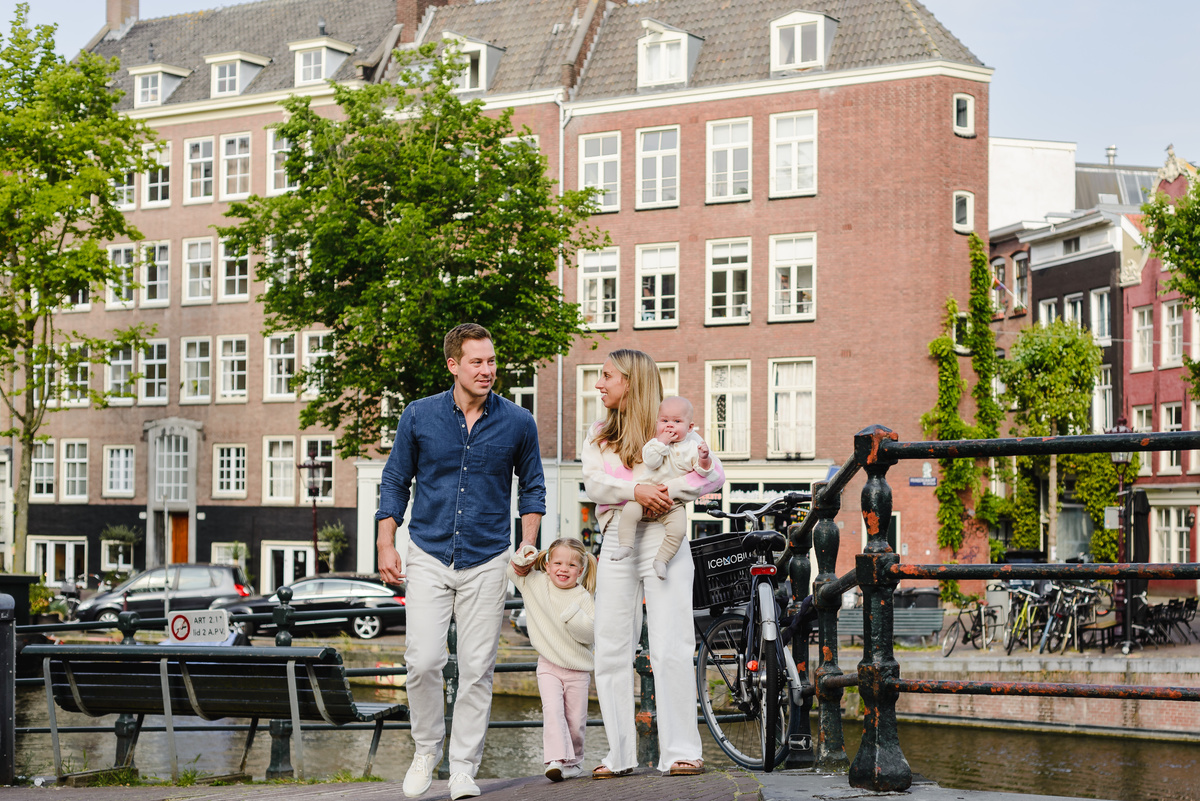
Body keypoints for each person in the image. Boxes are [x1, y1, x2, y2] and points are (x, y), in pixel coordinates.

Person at [376, 323, 545, 801]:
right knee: (423, 660)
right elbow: (394, 481)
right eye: (477, 362)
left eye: (492, 361)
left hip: (490, 557)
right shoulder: (418, 415)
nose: (488, 370)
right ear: (453, 364)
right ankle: (426, 750)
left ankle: (465, 767)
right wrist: (386, 543)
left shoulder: (518, 421)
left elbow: (533, 488)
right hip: (428, 552)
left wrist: (526, 544)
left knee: (477, 669)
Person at [581, 349, 725, 778]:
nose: (599, 384)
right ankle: (620, 755)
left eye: (607, 376)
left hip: (664, 536)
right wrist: (638, 491)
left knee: (673, 645)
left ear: (631, 380)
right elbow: (593, 484)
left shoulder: (671, 428)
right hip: (617, 540)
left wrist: (659, 493)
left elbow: (712, 475)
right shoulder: (599, 434)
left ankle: (681, 751)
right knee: (610, 646)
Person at [507, 538, 597, 782]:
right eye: (557, 562)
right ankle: (555, 760)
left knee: (575, 721)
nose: (563, 569)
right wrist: (526, 553)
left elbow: (589, 634)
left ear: (580, 570)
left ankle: (575, 761)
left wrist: (571, 614)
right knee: (553, 711)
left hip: (578, 670)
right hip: (548, 666)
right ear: (546, 565)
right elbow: (512, 569)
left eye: (570, 565)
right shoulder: (536, 584)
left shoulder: (583, 597)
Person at [611, 395, 715, 580]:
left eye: (677, 421)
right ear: (657, 422)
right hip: (645, 495)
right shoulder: (653, 444)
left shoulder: (692, 447)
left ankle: (662, 560)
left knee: (679, 530)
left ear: (690, 427)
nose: (669, 425)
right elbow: (651, 461)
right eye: (664, 420)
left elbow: (704, 472)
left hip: (673, 503)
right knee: (628, 513)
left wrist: (704, 458)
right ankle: (625, 545)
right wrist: (662, 443)